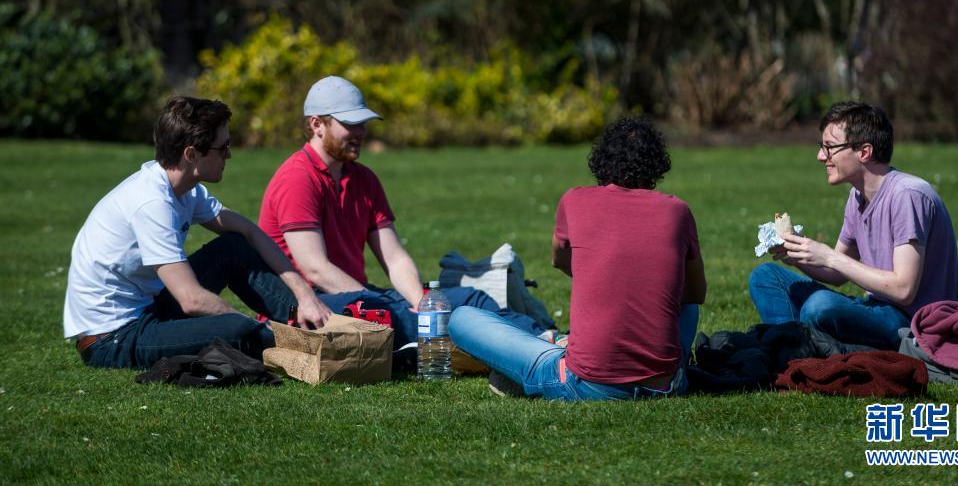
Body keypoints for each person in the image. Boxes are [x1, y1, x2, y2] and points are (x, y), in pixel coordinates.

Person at [257, 76, 549, 346]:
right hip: (309, 306)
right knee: (400, 317)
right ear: (317, 124)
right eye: (350, 123)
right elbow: (315, 269)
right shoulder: (298, 178)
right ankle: (517, 346)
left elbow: (395, 258)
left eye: (363, 123)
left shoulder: (364, 179)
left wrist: (421, 301)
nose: (361, 132)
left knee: (472, 299)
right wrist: (383, 303)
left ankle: (544, 340)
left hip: (358, 296)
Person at [449, 117, 707, 401]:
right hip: (665, 386)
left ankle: (552, 351)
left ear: (601, 160)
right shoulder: (677, 211)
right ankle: (563, 346)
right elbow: (695, 295)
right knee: (687, 308)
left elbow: (559, 260)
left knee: (461, 318)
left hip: (586, 384)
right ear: (656, 165)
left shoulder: (575, 200)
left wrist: (604, 275)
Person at [64, 97, 332, 369]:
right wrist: (251, 326)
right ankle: (317, 346)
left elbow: (249, 232)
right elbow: (191, 300)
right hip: (114, 338)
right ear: (191, 154)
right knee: (237, 331)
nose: (229, 155)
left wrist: (304, 295)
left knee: (233, 248)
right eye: (223, 147)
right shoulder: (152, 203)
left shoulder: (185, 190)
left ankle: (310, 320)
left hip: (150, 308)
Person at [748, 101, 958, 350]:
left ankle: (803, 348)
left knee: (820, 306)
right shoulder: (857, 197)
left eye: (829, 147)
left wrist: (829, 257)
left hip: (913, 325)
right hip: (877, 309)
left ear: (864, 152)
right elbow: (836, 275)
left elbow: (904, 290)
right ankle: (796, 349)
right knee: (765, 277)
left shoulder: (908, 195)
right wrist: (796, 254)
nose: (820, 156)